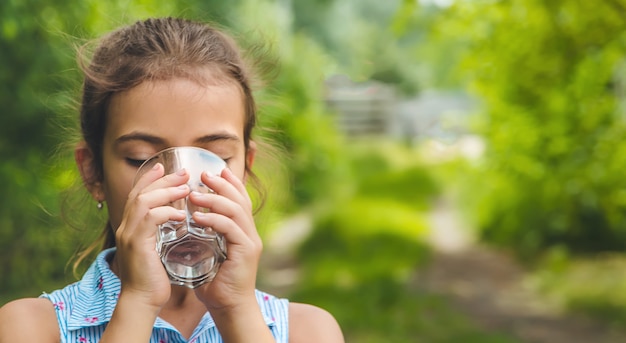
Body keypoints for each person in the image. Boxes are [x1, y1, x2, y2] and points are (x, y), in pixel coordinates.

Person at [0, 17, 344, 343]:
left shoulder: (306, 330)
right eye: (141, 159)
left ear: (246, 167)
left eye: (217, 157)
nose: (184, 192)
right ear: (93, 172)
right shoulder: (30, 327)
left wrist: (236, 310)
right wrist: (138, 302)